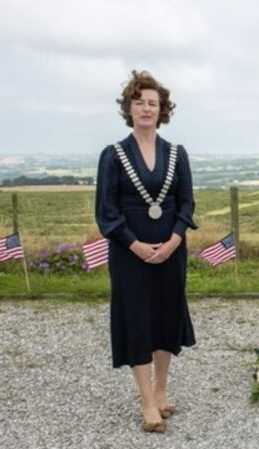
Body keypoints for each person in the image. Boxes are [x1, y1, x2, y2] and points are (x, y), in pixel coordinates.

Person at [95, 70, 198, 433]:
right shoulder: (113, 155)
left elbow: (186, 204)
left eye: (152, 103)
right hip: (129, 254)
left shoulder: (176, 153)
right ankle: (146, 401)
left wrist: (173, 241)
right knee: (138, 321)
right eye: (139, 102)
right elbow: (106, 211)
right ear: (129, 107)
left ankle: (161, 391)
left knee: (165, 318)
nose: (146, 108)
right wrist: (134, 245)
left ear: (162, 109)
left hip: (171, 251)